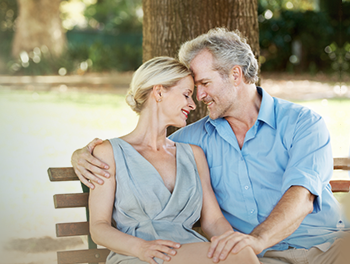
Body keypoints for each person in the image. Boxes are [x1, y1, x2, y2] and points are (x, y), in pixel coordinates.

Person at [72, 28, 349, 263]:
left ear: (235, 75)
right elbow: (137, 150)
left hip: (325, 245)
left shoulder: (303, 124)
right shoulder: (192, 141)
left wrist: (253, 241)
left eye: (204, 83)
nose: (198, 98)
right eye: (192, 90)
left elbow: (301, 195)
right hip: (261, 257)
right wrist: (81, 155)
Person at [86, 56, 259, 264]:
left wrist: (231, 242)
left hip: (189, 252)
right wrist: (140, 248)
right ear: (158, 92)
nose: (193, 105)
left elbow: (213, 220)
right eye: (187, 95)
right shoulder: (109, 153)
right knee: (241, 256)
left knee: (240, 251)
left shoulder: (193, 155)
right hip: (139, 256)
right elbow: (98, 227)